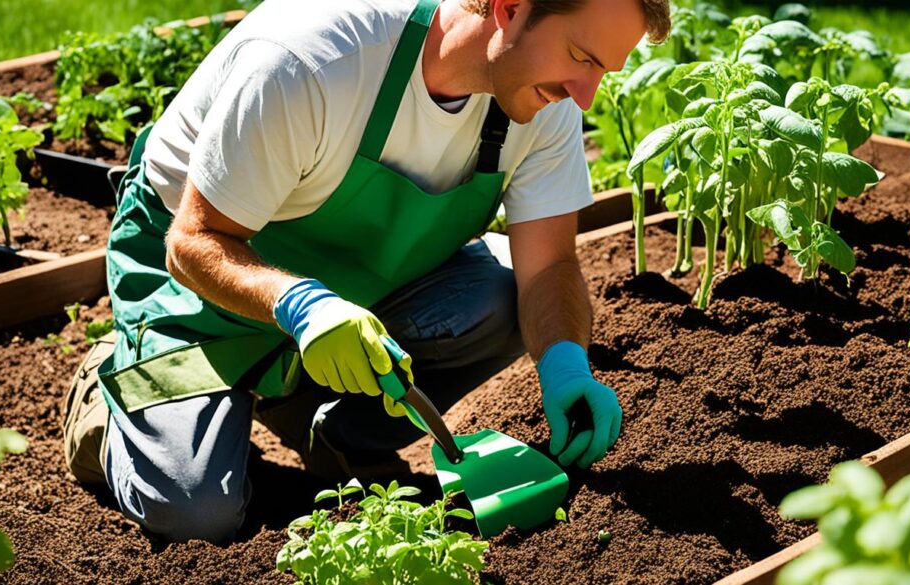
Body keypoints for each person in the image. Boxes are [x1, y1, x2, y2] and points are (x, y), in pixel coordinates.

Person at [62, 0, 670, 543]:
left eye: (601, 71)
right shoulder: (312, 60)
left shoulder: (542, 103)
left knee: (508, 290)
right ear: (509, 8)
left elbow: (551, 267)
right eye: (581, 56)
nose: (585, 94)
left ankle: (327, 431)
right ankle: (108, 394)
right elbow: (193, 241)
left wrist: (565, 364)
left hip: (358, 282)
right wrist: (303, 307)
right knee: (195, 513)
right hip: (200, 282)